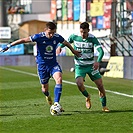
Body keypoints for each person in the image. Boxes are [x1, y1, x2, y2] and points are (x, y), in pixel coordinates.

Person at [2, 22, 81, 111]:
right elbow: (24, 40)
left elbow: (66, 43)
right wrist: (9, 45)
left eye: (53, 33)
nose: (51, 35)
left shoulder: (57, 37)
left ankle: (56, 103)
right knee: (44, 89)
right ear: (45, 30)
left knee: (59, 79)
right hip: (42, 66)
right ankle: (47, 95)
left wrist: (74, 51)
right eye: (49, 33)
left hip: (53, 64)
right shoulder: (39, 37)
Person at [56, 22, 109, 112]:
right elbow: (66, 42)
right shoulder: (74, 36)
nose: (83, 34)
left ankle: (104, 106)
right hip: (80, 66)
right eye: (81, 32)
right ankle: (87, 97)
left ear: (88, 30)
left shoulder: (92, 38)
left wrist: (98, 62)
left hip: (91, 66)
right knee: (79, 83)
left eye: (84, 32)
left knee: (100, 85)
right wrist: (60, 47)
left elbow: (101, 51)